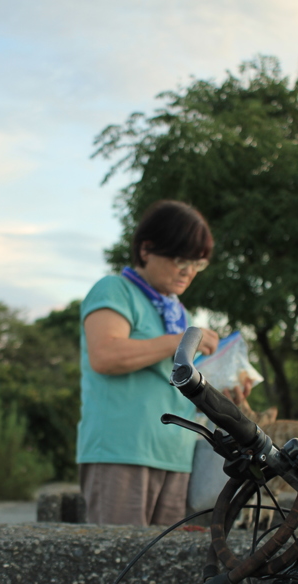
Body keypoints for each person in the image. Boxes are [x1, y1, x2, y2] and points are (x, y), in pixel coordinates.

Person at [77, 199, 220, 526]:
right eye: (180, 259)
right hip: (121, 451)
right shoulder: (115, 289)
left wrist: (224, 385)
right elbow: (106, 355)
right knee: (121, 564)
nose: (188, 272)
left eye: (198, 264)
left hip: (175, 455)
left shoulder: (177, 311)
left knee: (160, 568)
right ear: (146, 250)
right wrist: (181, 341)